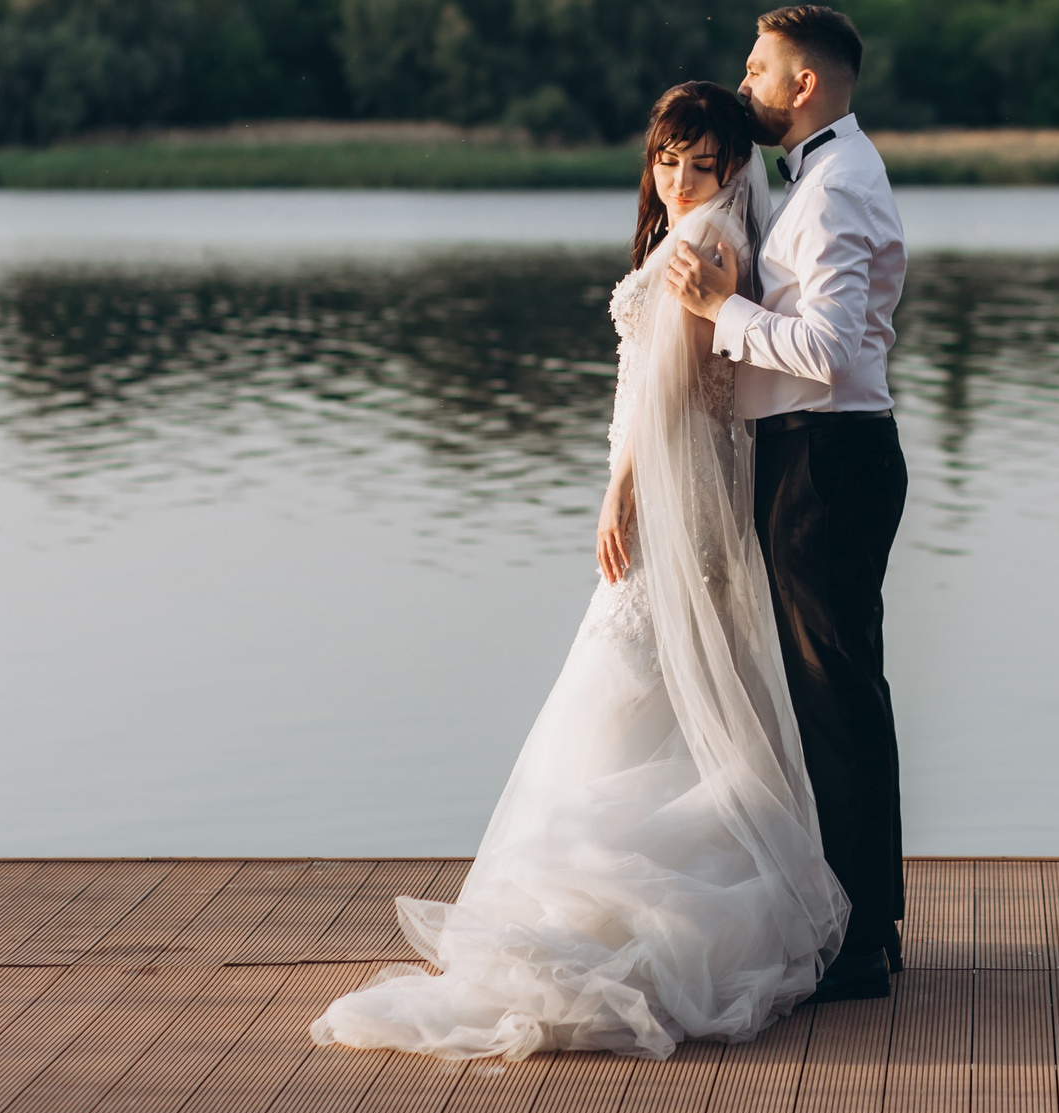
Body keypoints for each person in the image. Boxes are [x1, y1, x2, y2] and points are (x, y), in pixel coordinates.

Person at [311, 81, 848, 1061]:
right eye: (666, 160)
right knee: (666, 691)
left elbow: (670, 388)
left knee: (624, 681)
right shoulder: (708, 234)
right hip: (686, 491)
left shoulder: (703, 244)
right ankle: (658, 898)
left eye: (700, 163)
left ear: (733, 166)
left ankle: (621, 918)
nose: (678, 179)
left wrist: (620, 491)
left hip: (666, 491)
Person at [664, 5, 909, 1003]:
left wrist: (718, 309)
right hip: (824, 453)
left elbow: (830, 352)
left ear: (803, 84)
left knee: (832, 697)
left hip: (827, 459)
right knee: (843, 693)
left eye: (757, 69)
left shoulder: (837, 186)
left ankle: (858, 945)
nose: (744, 83)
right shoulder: (827, 173)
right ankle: (872, 923)